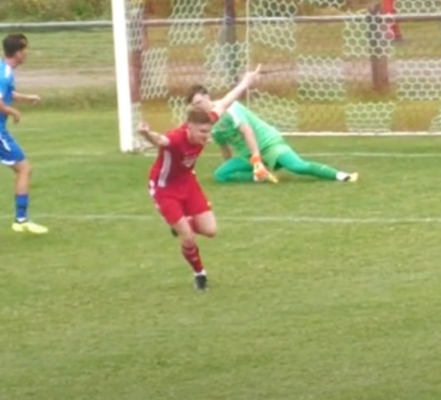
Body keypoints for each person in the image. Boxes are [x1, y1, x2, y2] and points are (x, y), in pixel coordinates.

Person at [139, 65, 262, 292]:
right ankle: (200, 273)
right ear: (190, 129)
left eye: (208, 132)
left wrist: (246, 82)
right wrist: (147, 134)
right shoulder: (176, 139)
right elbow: (160, 141)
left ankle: (180, 226)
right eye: (203, 133)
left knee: (211, 230)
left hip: (187, 182)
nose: (207, 138)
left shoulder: (207, 121)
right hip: (164, 188)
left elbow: (225, 102)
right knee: (188, 238)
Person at [186, 85, 358, 185]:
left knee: (298, 167)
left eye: (200, 102)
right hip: (248, 155)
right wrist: (230, 164)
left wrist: (257, 159)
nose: (199, 106)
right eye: (195, 105)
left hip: (269, 144)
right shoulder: (208, 124)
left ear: (208, 97)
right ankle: (261, 176)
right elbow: (224, 146)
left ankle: (341, 175)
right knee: (221, 175)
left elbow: (248, 131)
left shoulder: (230, 108)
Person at [0, 33, 47, 242]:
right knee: (24, 168)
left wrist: (26, 98)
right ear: (18, 52)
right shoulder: (4, 74)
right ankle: (21, 220)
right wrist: (12, 111)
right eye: (26, 49)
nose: (27, 53)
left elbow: (2, 94)